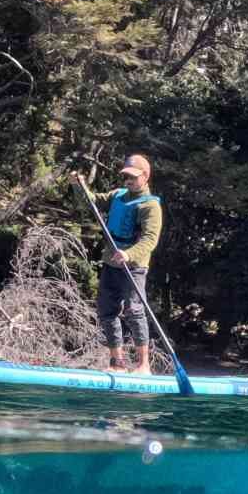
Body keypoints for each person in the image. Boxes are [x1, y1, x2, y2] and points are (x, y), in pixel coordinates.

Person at [97, 153, 163, 373]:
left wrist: (129, 254)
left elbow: (150, 240)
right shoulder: (117, 195)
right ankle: (117, 363)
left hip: (134, 266)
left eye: (133, 177)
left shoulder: (151, 206)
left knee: (134, 311)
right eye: (126, 176)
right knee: (107, 310)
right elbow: (91, 200)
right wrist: (78, 185)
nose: (128, 181)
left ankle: (144, 365)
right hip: (110, 263)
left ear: (145, 176)